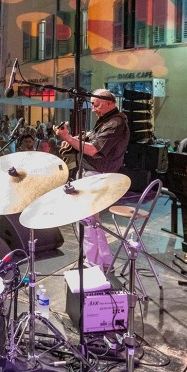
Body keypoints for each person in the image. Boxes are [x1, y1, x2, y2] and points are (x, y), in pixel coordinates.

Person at [55, 89, 130, 268]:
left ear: (109, 103)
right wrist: (74, 139)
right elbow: (91, 139)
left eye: (96, 105)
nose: (94, 109)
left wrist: (67, 137)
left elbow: (93, 149)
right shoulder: (108, 120)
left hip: (96, 174)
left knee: (86, 221)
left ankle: (92, 264)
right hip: (94, 173)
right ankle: (104, 260)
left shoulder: (115, 123)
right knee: (93, 221)